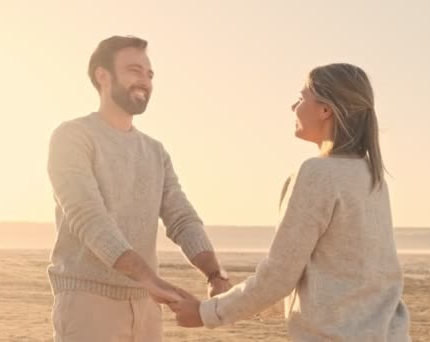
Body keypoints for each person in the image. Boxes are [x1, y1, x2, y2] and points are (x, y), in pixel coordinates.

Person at [170, 63, 411, 341]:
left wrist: (204, 313)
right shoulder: (372, 175)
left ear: (325, 110)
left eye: (301, 97)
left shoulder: (318, 174)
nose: (293, 107)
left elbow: (279, 277)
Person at [47, 35, 231, 342]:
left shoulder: (155, 152)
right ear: (102, 76)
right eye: (134, 70)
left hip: (146, 308)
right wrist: (149, 278)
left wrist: (215, 274)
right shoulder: (73, 137)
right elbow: (88, 217)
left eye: (149, 74)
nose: (144, 81)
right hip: (88, 303)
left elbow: (182, 218)